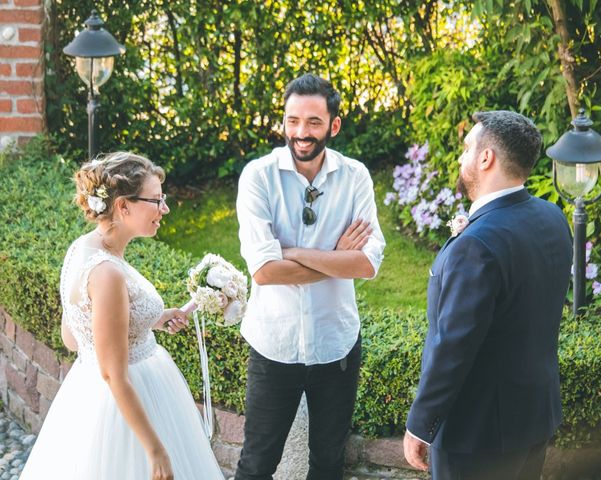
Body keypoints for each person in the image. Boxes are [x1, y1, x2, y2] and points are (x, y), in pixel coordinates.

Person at [20, 152, 224, 480]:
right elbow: (114, 374)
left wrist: (149, 320)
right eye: (157, 200)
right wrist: (155, 451)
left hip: (86, 392)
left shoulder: (82, 249)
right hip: (127, 400)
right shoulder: (107, 274)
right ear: (123, 206)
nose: (165, 209)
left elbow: (73, 338)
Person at [403, 111, 572, 480]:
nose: (461, 158)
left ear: (486, 158)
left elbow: (453, 344)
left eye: (467, 149)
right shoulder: (553, 218)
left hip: (476, 436)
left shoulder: (477, 244)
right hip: (533, 419)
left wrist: (420, 424)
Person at [234, 73, 386, 480]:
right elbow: (264, 272)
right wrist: (336, 258)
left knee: (328, 463)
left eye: (314, 122)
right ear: (283, 121)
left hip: (336, 345)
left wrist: (298, 254)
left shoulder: (355, 177)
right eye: (293, 120)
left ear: (333, 126)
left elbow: (368, 264)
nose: (301, 132)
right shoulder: (258, 177)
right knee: (256, 464)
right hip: (273, 346)